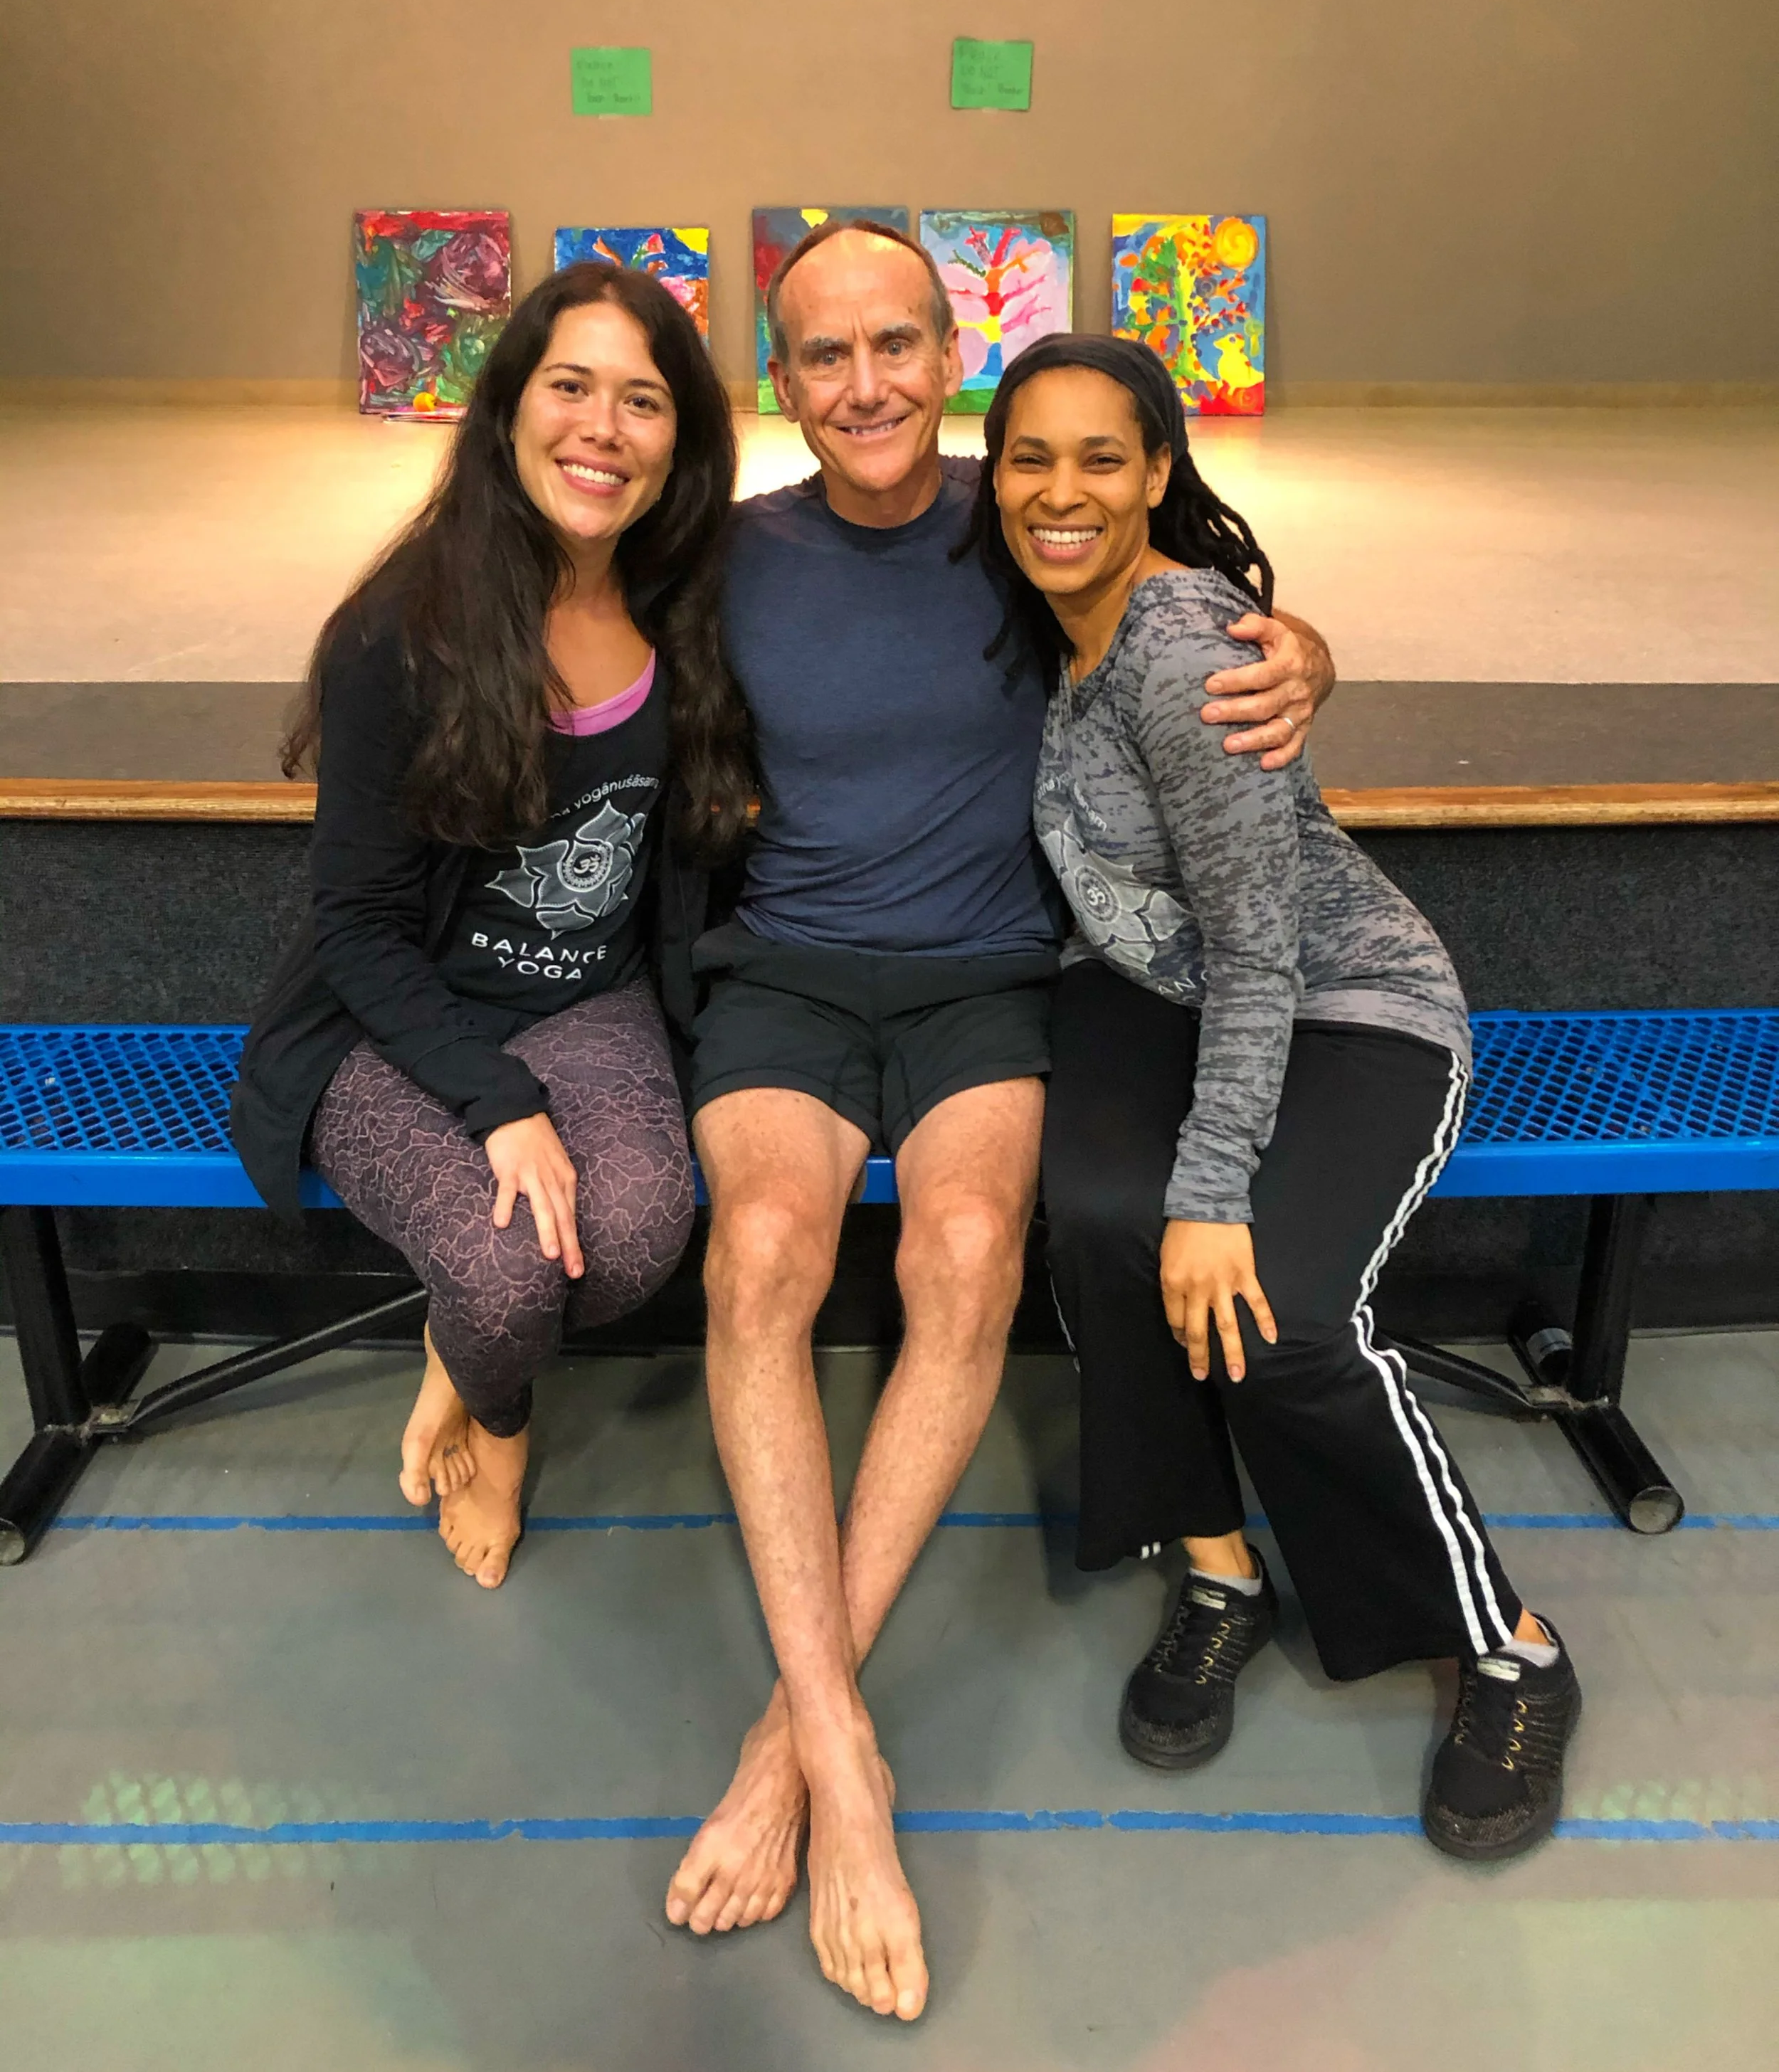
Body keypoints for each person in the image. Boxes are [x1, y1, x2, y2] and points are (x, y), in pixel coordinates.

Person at [660, 220, 1336, 2019]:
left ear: (948, 349)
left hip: (984, 977)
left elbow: (1215, 605)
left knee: (965, 1251)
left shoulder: (1024, 513)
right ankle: (841, 1756)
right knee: (762, 1262)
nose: (866, 383)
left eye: (897, 344)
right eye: (823, 355)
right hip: (786, 973)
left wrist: (1310, 654)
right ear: (780, 380)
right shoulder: (720, 558)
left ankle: (790, 1744)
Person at [960, 331, 1582, 1861]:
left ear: (1157, 473)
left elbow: (1259, 948)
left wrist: (1208, 1188)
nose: (1058, 490)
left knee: (1278, 1311)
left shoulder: (1181, 650)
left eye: (1099, 458)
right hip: (1156, 994)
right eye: (1025, 456)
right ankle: (1218, 1565)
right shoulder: (1037, 606)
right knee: (1093, 1224)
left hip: (1336, 1007)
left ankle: (1505, 1642)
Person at [231, 260, 752, 1590]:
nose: (602, 428)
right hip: (393, 1019)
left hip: (591, 999)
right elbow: (353, 925)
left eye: (644, 402)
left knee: (635, 1237)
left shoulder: (683, 602)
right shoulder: (400, 636)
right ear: (509, 408)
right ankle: (498, 1413)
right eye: (570, 387)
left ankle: (458, 1352)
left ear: (681, 442)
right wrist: (497, 1103)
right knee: (511, 1276)